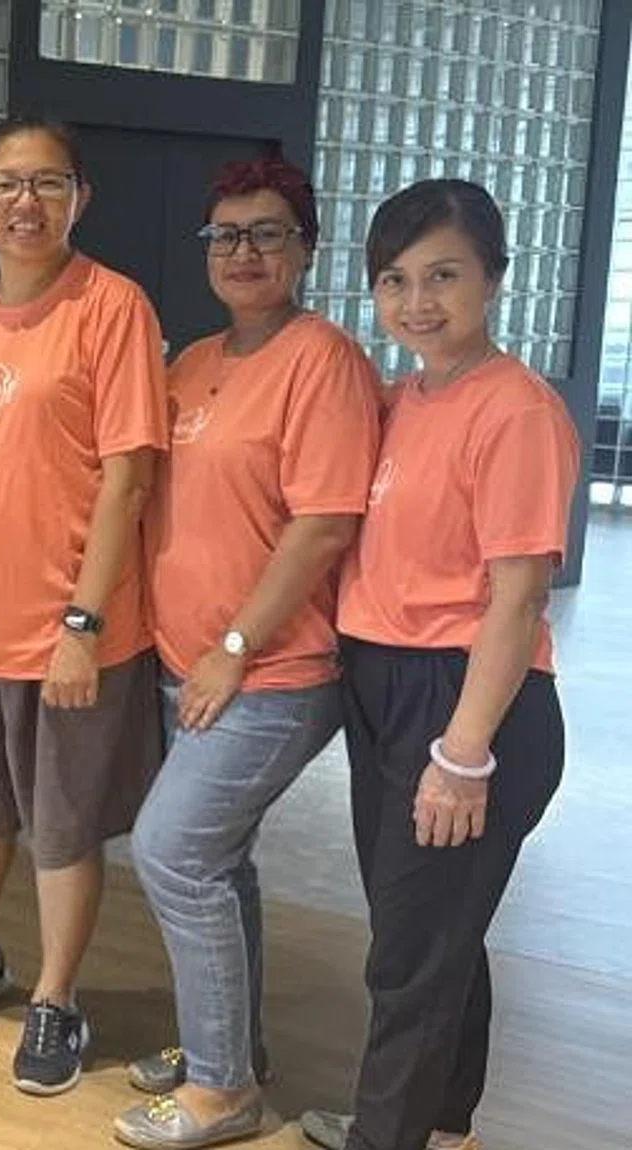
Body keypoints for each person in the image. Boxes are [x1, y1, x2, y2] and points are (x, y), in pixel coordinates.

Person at [297, 180, 578, 1150]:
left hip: (466, 699)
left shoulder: (517, 411)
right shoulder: (401, 398)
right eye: (396, 279)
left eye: (445, 275)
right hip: (384, 687)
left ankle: (390, 1136)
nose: (419, 300)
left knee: (410, 955)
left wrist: (464, 752)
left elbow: (519, 596)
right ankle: (440, 1126)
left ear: (494, 278)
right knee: (431, 934)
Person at [112, 158, 382, 1150]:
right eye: (226, 235)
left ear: (304, 248)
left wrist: (232, 646)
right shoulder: (193, 362)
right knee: (218, 861)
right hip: (186, 665)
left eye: (268, 233)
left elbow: (321, 526)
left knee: (172, 850)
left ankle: (223, 1092)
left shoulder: (325, 361)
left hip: (272, 672)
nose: (244, 252)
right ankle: (229, 1047)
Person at [0, 118, 167, 1097]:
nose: (23, 202)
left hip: (72, 630)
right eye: (2, 184)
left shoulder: (112, 306)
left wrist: (82, 624)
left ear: (81, 197)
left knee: (64, 825)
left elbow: (128, 479)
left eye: (46, 183)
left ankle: (58, 995)